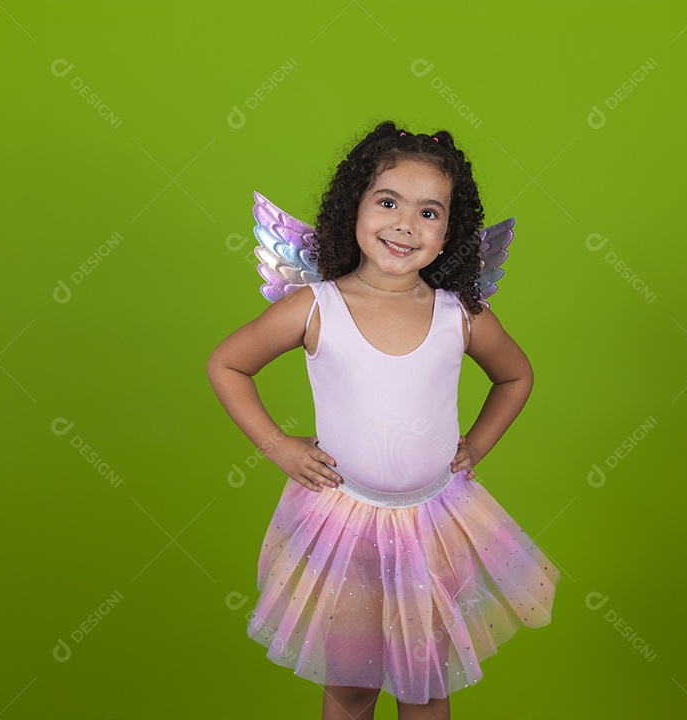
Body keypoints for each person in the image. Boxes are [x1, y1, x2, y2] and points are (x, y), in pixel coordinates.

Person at [207, 120, 559, 720]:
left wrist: (474, 445)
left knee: (425, 683)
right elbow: (228, 364)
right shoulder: (316, 307)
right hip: (345, 527)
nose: (404, 223)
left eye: (429, 212)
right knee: (350, 685)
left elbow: (515, 376)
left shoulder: (461, 315)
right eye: (388, 202)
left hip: (434, 523)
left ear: (451, 232)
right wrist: (276, 446)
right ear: (354, 207)